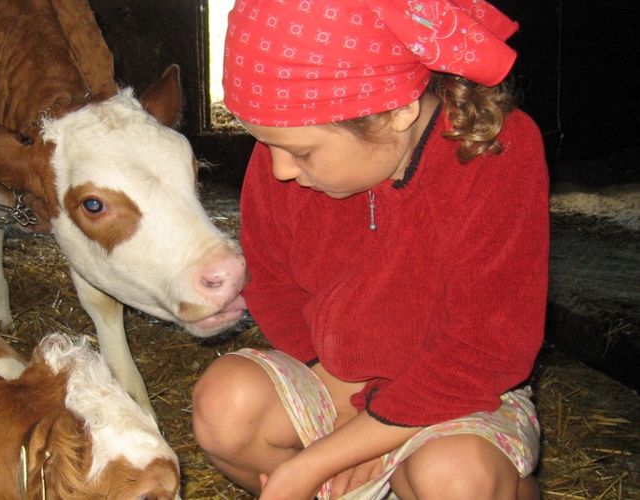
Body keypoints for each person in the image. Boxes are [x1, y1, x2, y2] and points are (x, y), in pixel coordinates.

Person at [192, 1, 548, 499]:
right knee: (225, 406)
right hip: (337, 376)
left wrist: (314, 463)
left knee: (454, 476)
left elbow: (484, 352)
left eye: (301, 152)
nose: (279, 171)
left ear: (396, 111)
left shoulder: (496, 154)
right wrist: (330, 382)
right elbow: (272, 283)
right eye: (264, 143)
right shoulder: (287, 156)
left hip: (458, 393)